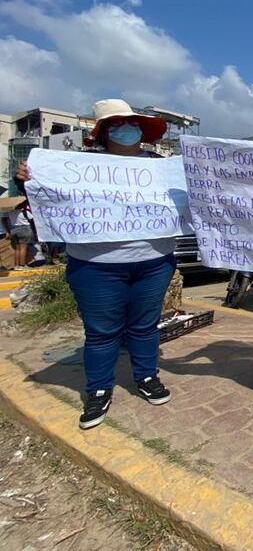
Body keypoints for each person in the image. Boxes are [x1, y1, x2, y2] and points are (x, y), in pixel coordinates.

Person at [16, 99, 175, 430]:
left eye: (131, 124)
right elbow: (44, 199)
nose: (127, 130)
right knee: (102, 333)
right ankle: (98, 390)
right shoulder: (74, 167)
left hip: (154, 263)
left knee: (145, 326)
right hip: (96, 267)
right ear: (104, 132)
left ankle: (147, 377)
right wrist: (26, 181)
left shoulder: (162, 166)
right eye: (117, 125)